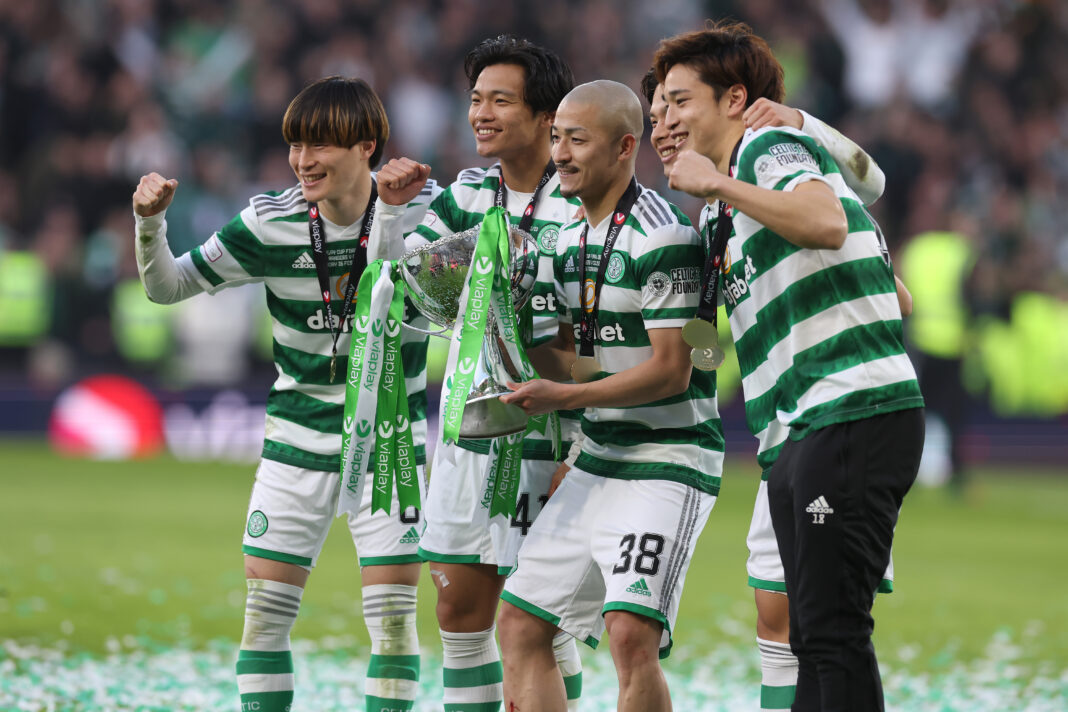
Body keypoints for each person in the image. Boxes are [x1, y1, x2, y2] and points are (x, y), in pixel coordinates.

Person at [131, 76, 439, 712]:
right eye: (295, 144)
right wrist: (148, 224)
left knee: (392, 622)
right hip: (295, 443)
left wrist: (388, 212)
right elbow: (167, 288)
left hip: (389, 447)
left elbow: (390, 295)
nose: (302, 160)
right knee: (265, 619)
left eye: (319, 145)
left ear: (367, 147)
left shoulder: (425, 211)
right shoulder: (270, 221)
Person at [655, 23, 925, 711]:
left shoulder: (765, 148)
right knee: (811, 635)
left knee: (829, 634)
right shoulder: (719, 222)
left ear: (736, 100)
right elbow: (718, 350)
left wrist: (723, 178)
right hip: (795, 432)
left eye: (680, 101)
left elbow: (826, 220)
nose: (664, 121)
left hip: (847, 411)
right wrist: (685, 335)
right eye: (657, 109)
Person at [366, 35, 584, 712]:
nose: (481, 113)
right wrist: (391, 215)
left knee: (542, 624)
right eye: (475, 99)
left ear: (548, 118)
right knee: (461, 619)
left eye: (500, 100)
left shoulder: (584, 200)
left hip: (556, 441)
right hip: (471, 438)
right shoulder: (466, 196)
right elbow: (400, 294)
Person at [496, 79, 722, 712]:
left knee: (630, 634)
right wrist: (506, 316)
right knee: (519, 624)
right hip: (598, 454)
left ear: (626, 146)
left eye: (578, 140)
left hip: (669, 457)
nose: (561, 154)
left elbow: (675, 370)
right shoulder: (562, 236)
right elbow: (575, 359)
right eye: (557, 138)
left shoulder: (663, 235)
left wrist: (563, 396)